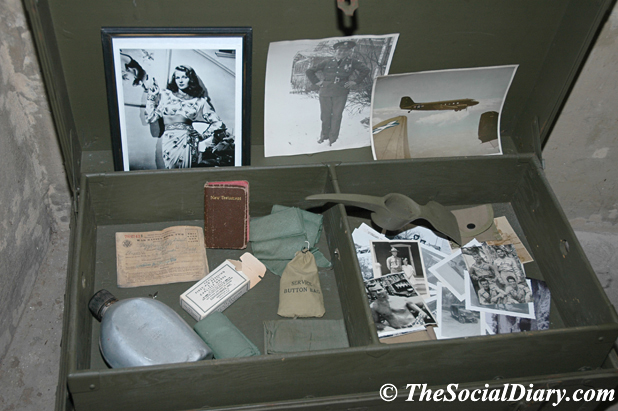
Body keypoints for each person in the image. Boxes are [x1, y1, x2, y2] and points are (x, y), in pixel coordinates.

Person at [120, 54, 233, 169]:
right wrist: (152, 97)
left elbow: (219, 124)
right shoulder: (165, 95)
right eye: (177, 77)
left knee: (187, 174)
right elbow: (150, 118)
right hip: (168, 141)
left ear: (191, 79)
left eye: (184, 77)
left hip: (188, 142)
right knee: (171, 172)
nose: (180, 80)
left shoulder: (199, 101)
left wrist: (202, 135)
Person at [306, 40, 370, 146]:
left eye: (345, 51)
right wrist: (317, 82)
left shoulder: (352, 62)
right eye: (340, 50)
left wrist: (355, 81)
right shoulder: (327, 61)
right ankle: (324, 136)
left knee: (336, 116)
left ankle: (333, 139)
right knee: (325, 116)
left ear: (349, 52)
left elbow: (365, 70)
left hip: (341, 93)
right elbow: (309, 71)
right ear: (335, 51)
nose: (342, 53)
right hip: (325, 92)